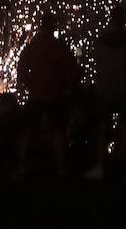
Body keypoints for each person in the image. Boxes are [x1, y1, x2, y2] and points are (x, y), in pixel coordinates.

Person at [16, 12, 79, 178]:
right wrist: (67, 86)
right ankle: (61, 167)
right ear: (54, 26)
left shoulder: (32, 46)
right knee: (58, 131)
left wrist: (30, 85)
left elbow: (21, 71)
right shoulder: (60, 46)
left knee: (28, 131)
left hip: (35, 95)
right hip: (55, 94)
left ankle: (22, 167)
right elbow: (72, 70)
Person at [86, 7, 126, 179]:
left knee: (102, 129)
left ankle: (100, 166)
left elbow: (97, 63)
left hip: (105, 89)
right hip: (125, 89)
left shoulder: (101, 40)